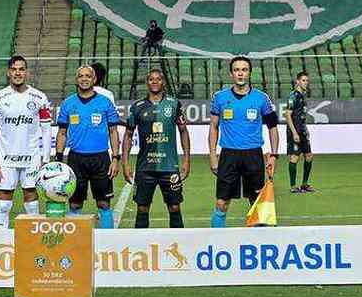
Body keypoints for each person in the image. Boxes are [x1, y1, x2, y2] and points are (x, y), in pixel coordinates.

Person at [208, 56, 279, 228]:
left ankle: (259, 243)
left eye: (244, 70)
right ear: (231, 73)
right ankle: (216, 242)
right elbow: (213, 127)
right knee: (221, 203)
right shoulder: (219, 97)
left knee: (256, 202)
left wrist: (274, 155)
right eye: (237, 70)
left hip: (253, 154)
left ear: (249, 73)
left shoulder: (262, 98)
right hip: (228, 155)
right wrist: (212, 155)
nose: (240, 73)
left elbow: (273, 127)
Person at [0, 56, 51, 229]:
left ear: (27, 72)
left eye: (21, 69)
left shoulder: (39, 97)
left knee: (32, 203)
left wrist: (45, 159)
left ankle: (34, 242)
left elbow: (46, 131)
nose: (18, 73)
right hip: (5, 159)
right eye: (14, 69)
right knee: (3, 205)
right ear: (8, 72)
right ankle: (0, 241)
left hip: (32, 159)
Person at [122, 70, 191, 229]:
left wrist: (186, 160)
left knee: (174, 207)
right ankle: (141, 247)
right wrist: (125, 164)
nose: (154, 82)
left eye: (158, 79)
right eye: (151, 79)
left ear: (163, 82)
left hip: (170, 167)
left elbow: (183, 131)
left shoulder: (174, 104)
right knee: (142, 208)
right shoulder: (137, 107)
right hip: (145, 168)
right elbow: (127, 136)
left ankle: (178, 244)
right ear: (147, 83)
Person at [55, 65, 120, 229]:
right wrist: (59, 159)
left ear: (94, 79)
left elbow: (113, 132)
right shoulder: (68, 104)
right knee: (75, 204)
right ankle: (75, 244)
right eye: (81, 76)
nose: (84, 79)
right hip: (76, 159)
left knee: (104, 203)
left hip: (101, 159)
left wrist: (115, 159)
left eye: (88, 76)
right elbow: (62, 132)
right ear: (76, 80)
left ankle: (107, 243)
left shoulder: (105, 103)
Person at [285, 71, 315, 193]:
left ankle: (304, 184)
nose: (305, 83)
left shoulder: (303, 95)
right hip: (295, 131)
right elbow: (287, 115)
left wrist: (305, 129)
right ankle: (293, 186)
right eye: (303, 80)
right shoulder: (293, 96)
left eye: (307, 81)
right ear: (297, 81)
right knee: (294, 157)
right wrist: (294, 133)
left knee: (309, 156)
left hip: (302, 131)